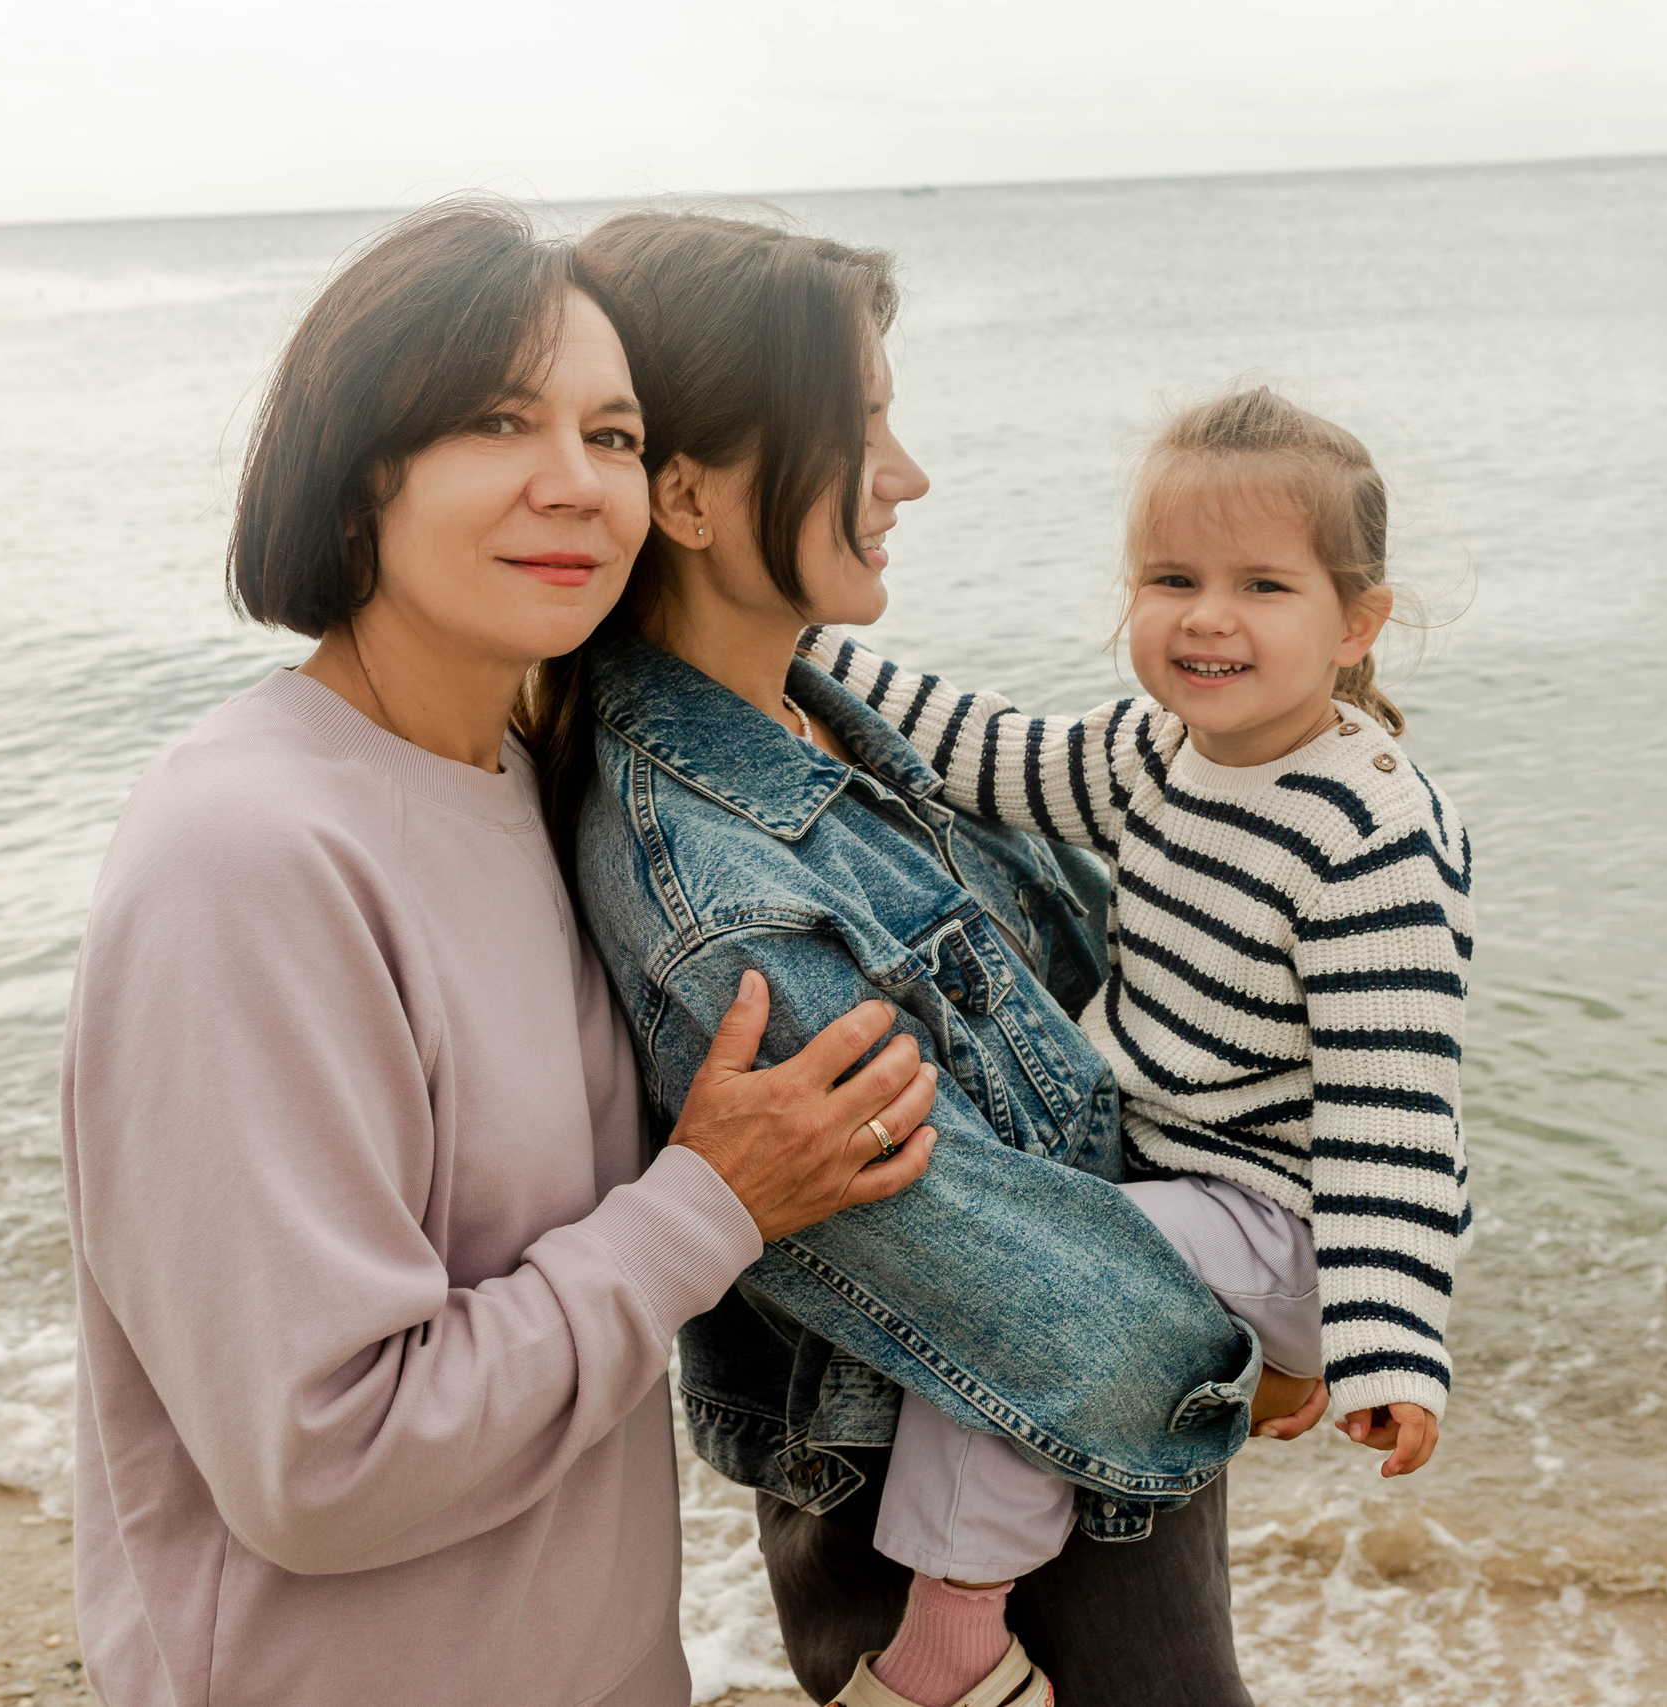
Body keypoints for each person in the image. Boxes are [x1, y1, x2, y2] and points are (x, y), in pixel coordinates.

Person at [59, 198, 945, 1707]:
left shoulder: (540, 792)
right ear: (356, 482)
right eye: (496, 420)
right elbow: (322, 1462)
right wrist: (709, 1204)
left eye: (614, 436)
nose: (578, 485)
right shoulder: (250, 858)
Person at [552, 209, 1303, 1707]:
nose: (908, 474)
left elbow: (1091, 973)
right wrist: (1279, 1334)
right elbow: (985, 1271)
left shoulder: (821, 715)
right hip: (969, 1546)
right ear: (688, 497)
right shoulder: (720, 892)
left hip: (1076, 1459)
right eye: (865, 428)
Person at [801, 385, 1475, 1705]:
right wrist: (796, 649)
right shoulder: (1160, 751)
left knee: (1002, 1292)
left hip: (1287, 1215)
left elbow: (1393, 1116)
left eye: (1263, 585)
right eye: (1171, 577)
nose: (1206, 615)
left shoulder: (1370, 837)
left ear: (1357, 625)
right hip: (1172, 1179)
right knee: (1010, 1265)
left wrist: (1381, 1341)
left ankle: (958, 1635)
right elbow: (984, 752)